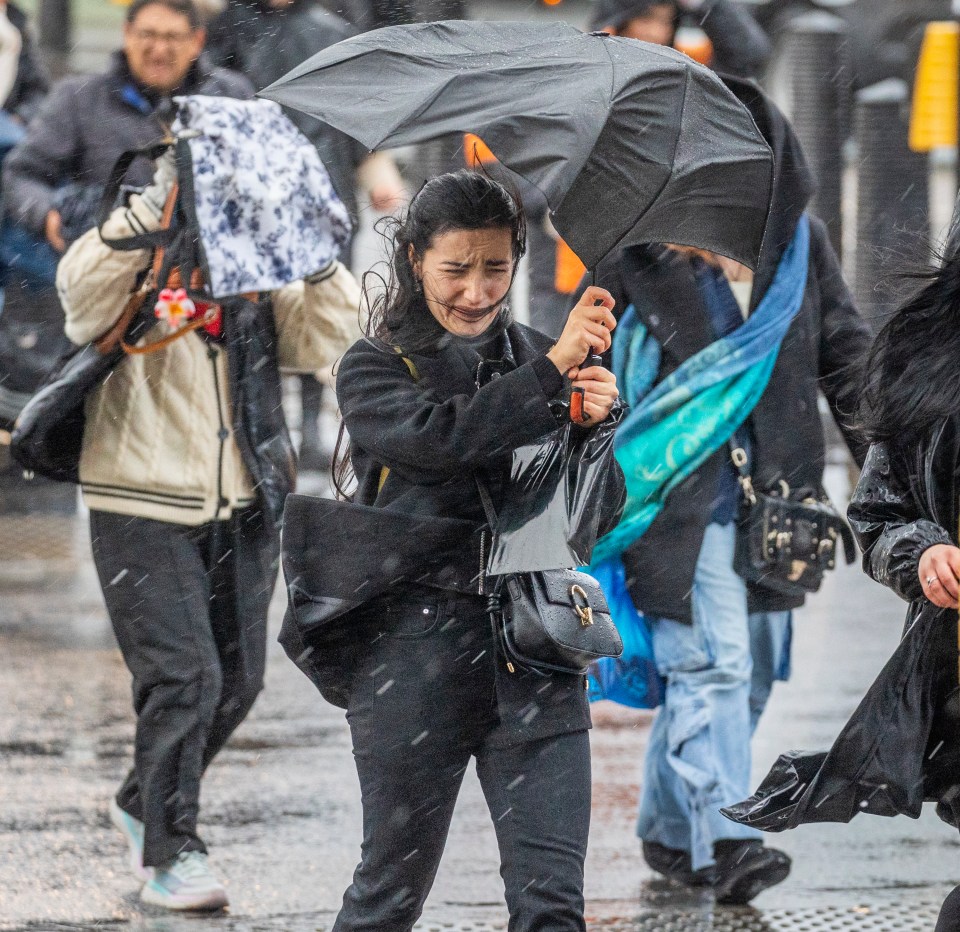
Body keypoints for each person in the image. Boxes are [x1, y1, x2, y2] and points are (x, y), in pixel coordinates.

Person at [53, 146, 362, 910]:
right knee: (184, 676)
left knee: (239, 679)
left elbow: (323, 341)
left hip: (245, 494)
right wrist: (153, 210)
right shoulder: (135, 234)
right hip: (139, 492)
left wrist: (313, 247)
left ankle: (140, 801)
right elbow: (80, 303)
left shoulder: (257, 251)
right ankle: (171, 852)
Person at [316, 170, 624, 930]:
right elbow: (441, 442)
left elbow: (591, 520)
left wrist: (590, 430)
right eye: (456, 268)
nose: (477, 291)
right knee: (388, 894)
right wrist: (548, 379)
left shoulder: (548, 356)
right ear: (415, 258)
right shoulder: (376, 365)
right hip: (412, 660)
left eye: (496, 268)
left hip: (536, 649)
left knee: (552, 905)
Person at [589, 78, 872, 903]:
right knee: (712, 668)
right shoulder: (635, 253)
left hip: (774, 508)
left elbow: (846, 358)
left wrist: (891, 470)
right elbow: (586, 360)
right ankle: (730, 837)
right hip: (673, 509)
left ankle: (671, 830)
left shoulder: (800, 248)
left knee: (742, 680)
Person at [207, 0, 405, 471]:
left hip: (324, 195)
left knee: (321, 310)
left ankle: (311, 427)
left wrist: (376, 169)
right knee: (258, 316)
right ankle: (266, 422)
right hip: (257, 200)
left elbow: (355, 113)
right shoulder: (231, 27)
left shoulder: (332, 30)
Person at [2, 0, 251, 281]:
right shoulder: (79, 98)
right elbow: (21, 173)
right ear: (127, 34)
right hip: (104, 272)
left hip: (208, 276)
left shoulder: (230, 95)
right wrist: (47, 215)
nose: (159, 50)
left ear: (197, 41)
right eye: (148, 35)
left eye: (172, 37)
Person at [588, 0, 771, 79]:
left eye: (666, 22)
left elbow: (748, 57)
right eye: (645, 19)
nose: (656, 33)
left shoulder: (680, 76)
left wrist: (706, 5)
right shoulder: (590, 71)